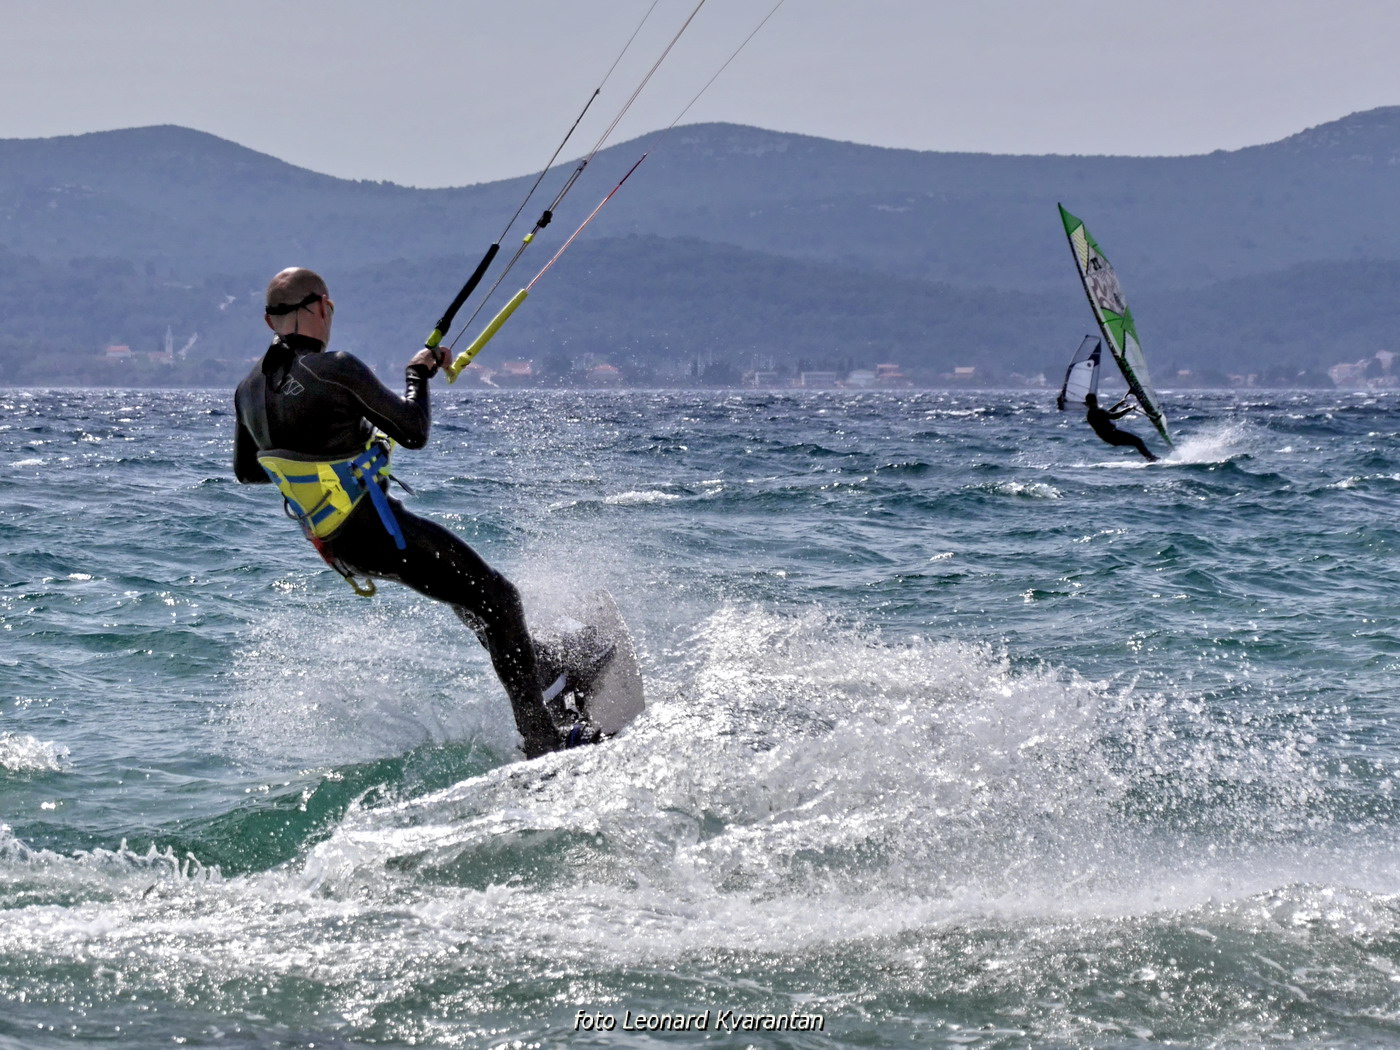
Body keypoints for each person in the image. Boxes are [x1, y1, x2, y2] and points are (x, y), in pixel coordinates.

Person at [233, 267, 599, 758]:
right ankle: (545, 738)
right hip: (379, 533)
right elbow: (414, 430)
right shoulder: (334, 368)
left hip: (340, 546)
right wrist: (416, 376)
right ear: (321, 307)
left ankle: (544, 669)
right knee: (500, 598)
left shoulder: (248, 389)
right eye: (332, 308)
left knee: (472, 600)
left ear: (268, 321)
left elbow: (250, 471)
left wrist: (336, 452)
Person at [1084, 392, 1158, 462]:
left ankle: (1150, 458)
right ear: (1096, 400)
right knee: (1138, 441)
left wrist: (1118, 404)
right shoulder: (1098, 411)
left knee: (1137, 442)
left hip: (1107, 437)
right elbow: (1115, 416)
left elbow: (1107, 414)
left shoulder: (1091, 413)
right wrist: (1129, 408)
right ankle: (1151, 459)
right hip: (1112, 435)